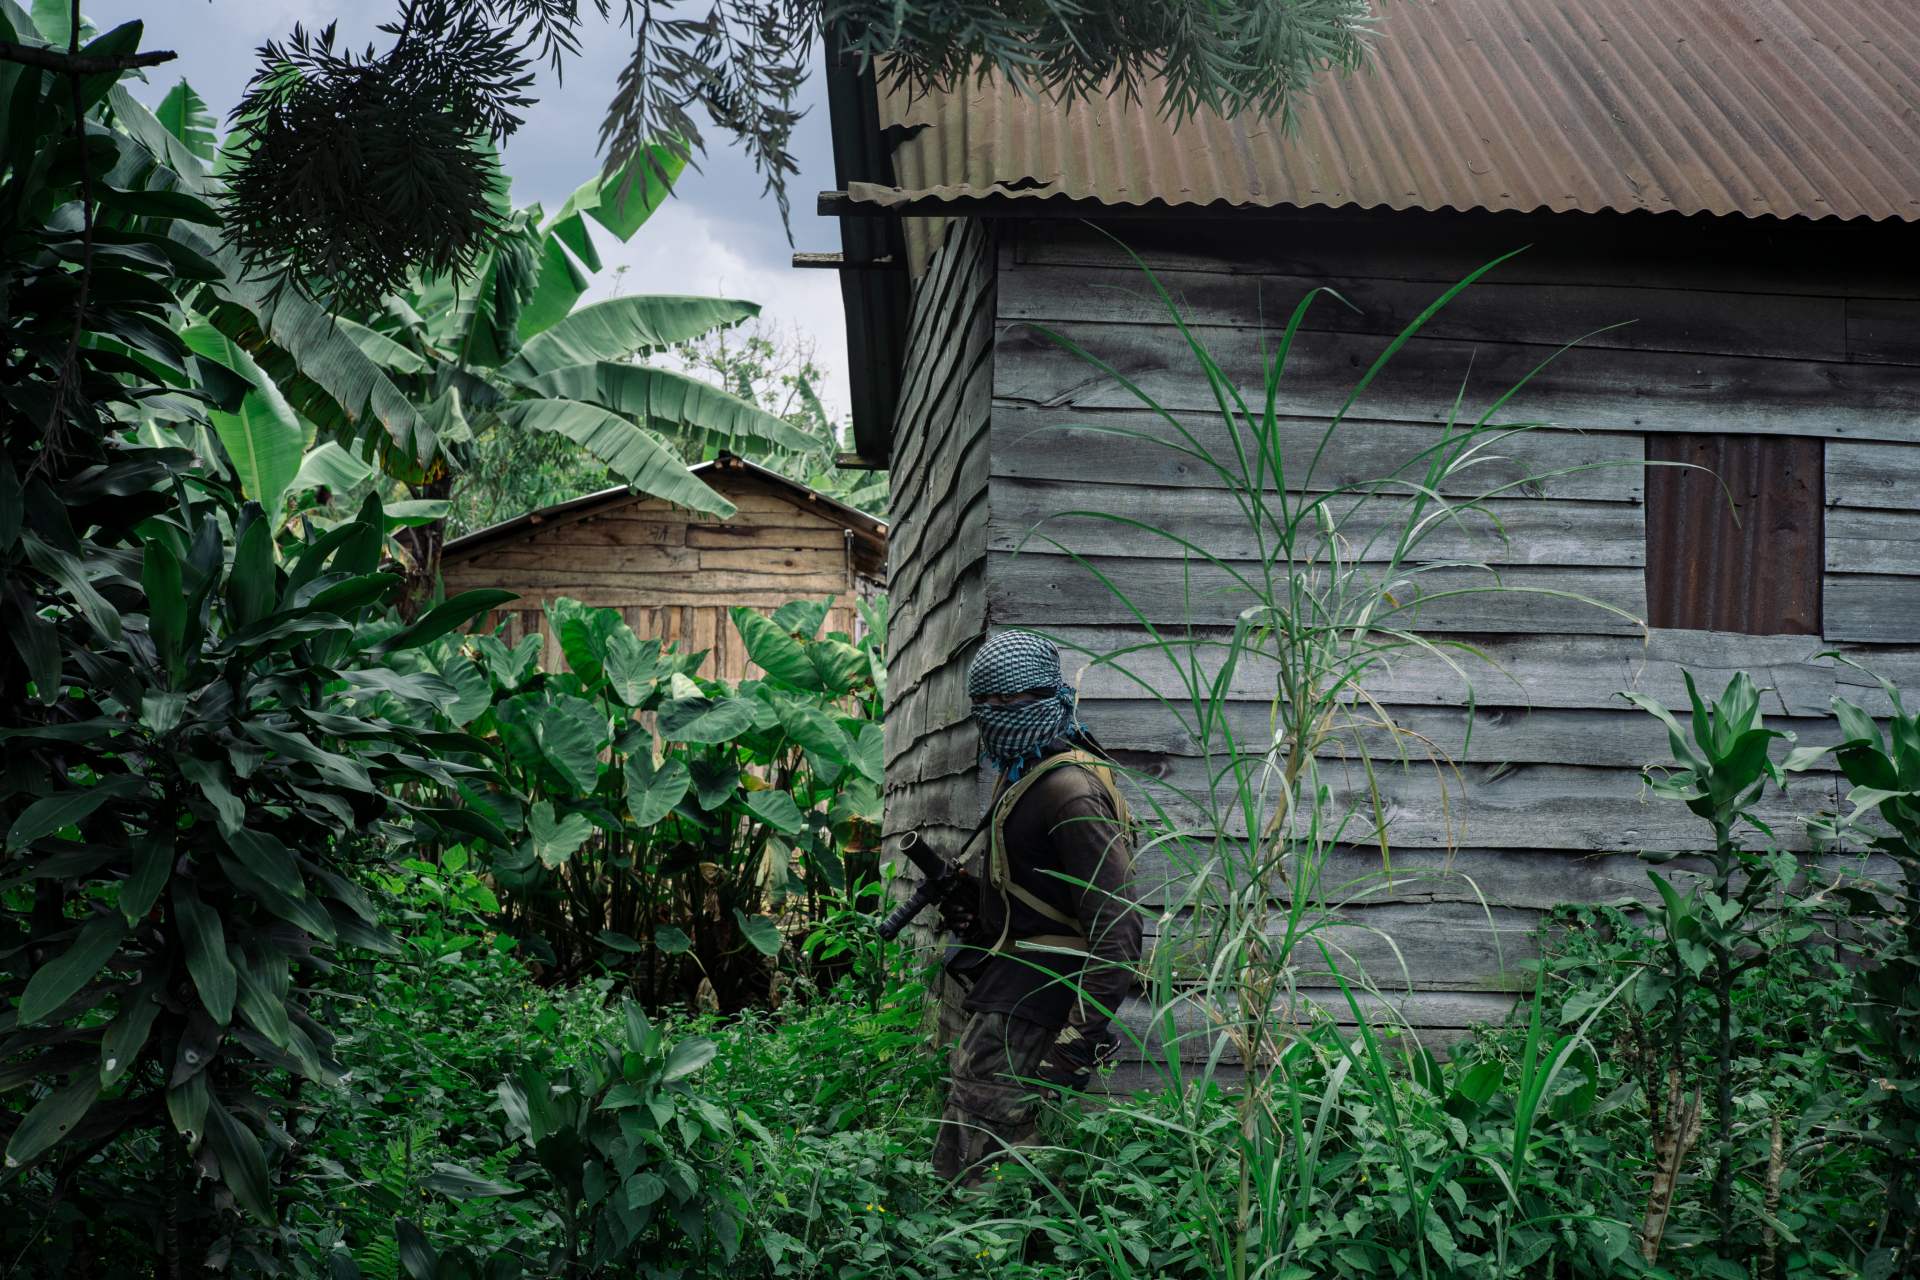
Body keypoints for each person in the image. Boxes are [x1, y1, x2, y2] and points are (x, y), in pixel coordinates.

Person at [931, 630, 1143, 1184]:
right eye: (989, 704)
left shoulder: (1068, 789)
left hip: (1040, 1001)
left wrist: (1076, 1043)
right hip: (1012, 986)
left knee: (997, 1173)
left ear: (1051, 698)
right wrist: (974, 910)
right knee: (969, 1140)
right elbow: (1036, 898)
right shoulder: (1025, 772)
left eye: (1014, 702)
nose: (999, 715)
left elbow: (1118, 930)